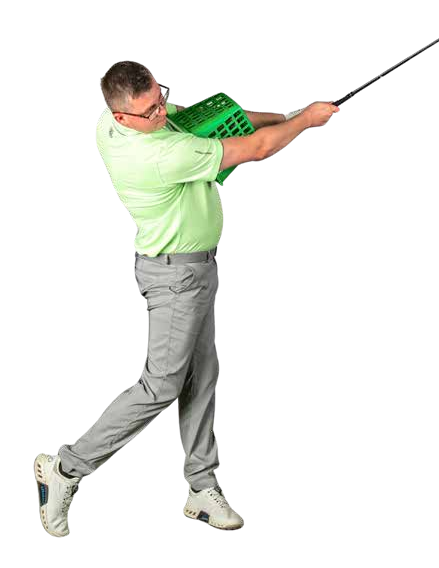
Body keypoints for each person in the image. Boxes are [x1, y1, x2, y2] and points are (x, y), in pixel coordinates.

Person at [34, 60, 340, 538]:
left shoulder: (114, 119)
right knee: (161, 385)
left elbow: (209, 115)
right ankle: (65, 468)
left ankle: (201, 487)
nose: (162, 113)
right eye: (150, 111)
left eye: (161, 99)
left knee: (202, 376)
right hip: (176, 278)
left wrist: (286, 115)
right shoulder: (161, 154)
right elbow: (257, 148)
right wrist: (305, 121)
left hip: (193, 270)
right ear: (122, 116)